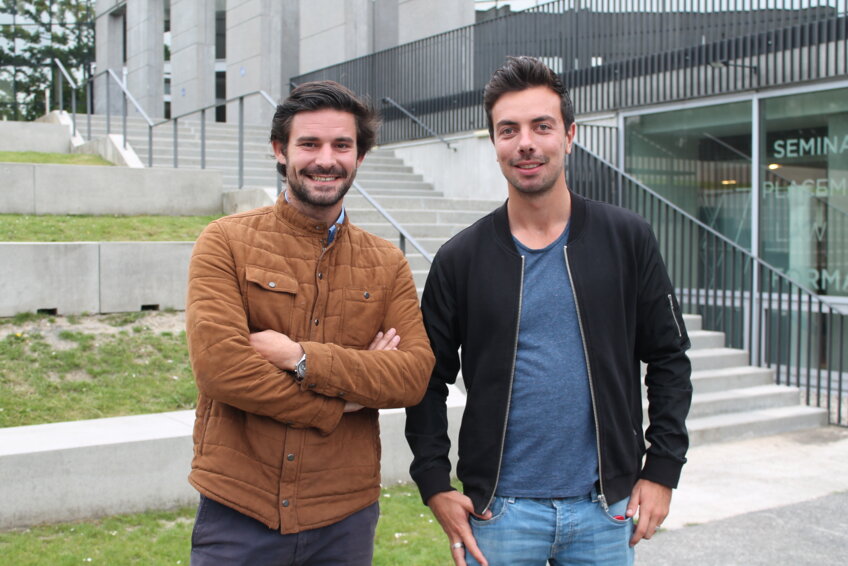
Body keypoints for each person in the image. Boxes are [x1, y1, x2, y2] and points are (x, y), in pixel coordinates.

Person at [405, 56, 692, 566]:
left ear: (569, 135)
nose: (526, 143)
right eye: (508, 130)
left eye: (542, 126)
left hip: (606, 511)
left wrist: (662, 470)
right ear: (494, 142)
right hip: (499, 513)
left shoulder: (627, 238)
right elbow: (425, 379)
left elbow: (669, 358)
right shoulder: (460, 259)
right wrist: (434, 483)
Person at [185, 80, 435, 565]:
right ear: (280, 151)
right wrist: (344, 402)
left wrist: (298, 358)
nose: (326, 159)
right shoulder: (225, 242)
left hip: (344, 520)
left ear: (360, 155)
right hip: (239, 510)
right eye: (309, 144)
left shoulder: (387, 263)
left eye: (342, 145)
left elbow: (412, 375)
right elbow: (222, 369)